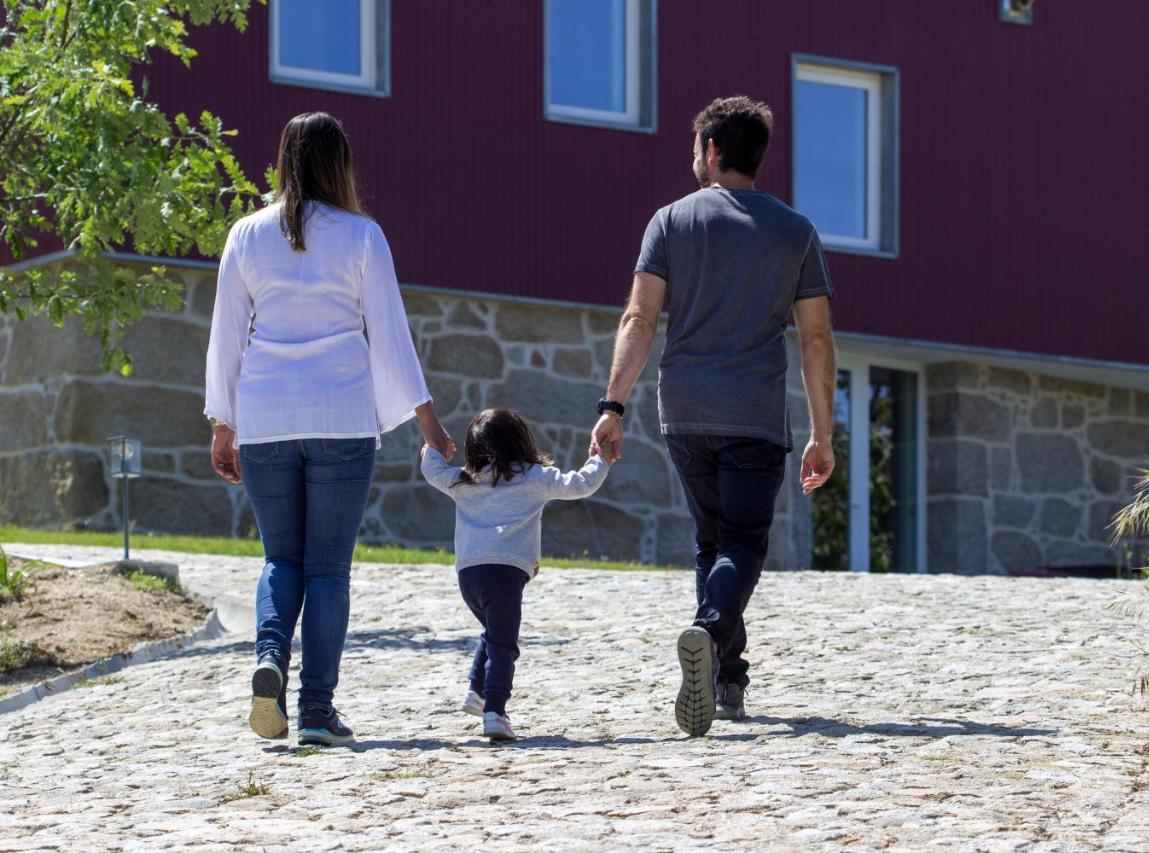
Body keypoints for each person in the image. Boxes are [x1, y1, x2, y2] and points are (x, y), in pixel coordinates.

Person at [204, 112, 454, 747]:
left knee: (279, 557)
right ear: (340, 164)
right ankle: (316, 710)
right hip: (341, 415)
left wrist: (222, 423)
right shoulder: (362, 236)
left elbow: (226, 337)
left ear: (283, 160)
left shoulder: (245, 234)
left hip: (265, 416)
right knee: (327, 570)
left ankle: (268, 659)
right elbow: (390, 337)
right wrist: (429, 424)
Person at [590, 96, 837, 737]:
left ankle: (727, 678)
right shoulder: (796, 232)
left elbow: (638, 319)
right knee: (743, 542)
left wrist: (613, 405)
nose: (691, 157)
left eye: (695, 146)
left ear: (715, 152)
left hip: (686, 411)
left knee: (713, 542)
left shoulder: (670, 222)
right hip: (754, 412)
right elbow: (816, 340)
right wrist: (821, 434)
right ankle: (709, 634)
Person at [421, 408, 611, 741]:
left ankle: (476, 692)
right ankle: (495, 711)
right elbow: (581, 484)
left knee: (493, 634)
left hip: (469, 576)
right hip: (506, 575)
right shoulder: (535, 476)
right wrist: (602, 458)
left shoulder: (464, 480)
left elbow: (431, 468)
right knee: (504, 645)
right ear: (522, 440)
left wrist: (431, 447)